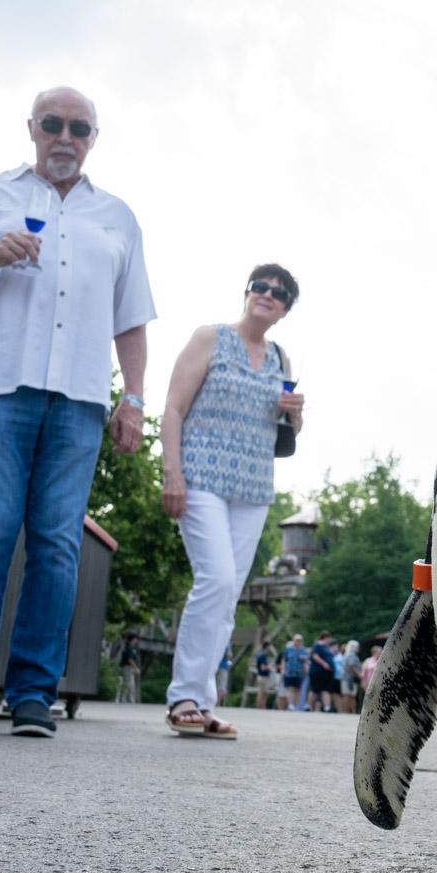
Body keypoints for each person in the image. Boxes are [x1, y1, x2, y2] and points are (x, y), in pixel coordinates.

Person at [0, 86, 155, 738]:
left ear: (93, 138)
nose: (65, 136)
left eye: (80, 127)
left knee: (56, 546)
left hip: (79, 400)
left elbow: (130, 320)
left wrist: (133, 398)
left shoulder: (118, 217)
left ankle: (30, 694)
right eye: (54, 124)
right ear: (32, 128)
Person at [159, 265, 302, 739]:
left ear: (284, 310)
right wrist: (171, 472)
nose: (267, 295)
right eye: (260, 287)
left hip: (253, 488)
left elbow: (285, 435)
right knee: (216, 579)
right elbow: (174, 408)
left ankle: (202, 701)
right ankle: (183, 695)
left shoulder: (281, 357)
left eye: (278, 294)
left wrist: (295, 418)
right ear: (246, 293)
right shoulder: (210, 338)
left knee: (227, 597)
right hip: (200, 479)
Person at [308, 632, 337, 713]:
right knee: (314, 689)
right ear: (325, 637)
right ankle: (309, 706)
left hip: (327, 672)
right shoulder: (318, 645)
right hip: (318, 671)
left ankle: (327, 707)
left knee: (326, 689)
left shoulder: (327, 647)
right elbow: (315, 656)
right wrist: (324, 663)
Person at [282, 633, 308, 711]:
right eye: (297, 640)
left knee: (298, 689)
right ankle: (291, 704)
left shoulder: (303, 650)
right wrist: (283, 669)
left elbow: (306, 659)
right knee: (290, 688)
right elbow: (284, 660)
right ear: (293, 640)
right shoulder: (288, 650)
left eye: (300, 640)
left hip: (299, 672)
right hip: (289, 672)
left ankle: (296, 705)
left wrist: (303, 659)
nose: (298, 642)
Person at [115, 633, 143, 704]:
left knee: (127, 683)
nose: (137, 641)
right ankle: (128, 699)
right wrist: (136, 668)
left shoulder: (132, 648)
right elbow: (130, 659)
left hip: (129, 667)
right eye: (136, 639)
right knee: (129, 683)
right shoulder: (129, 648)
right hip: (127, 667)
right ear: (132, 640)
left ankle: (124, 698)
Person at [247, 641, 275, 711]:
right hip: (263, 676)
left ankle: (262, 707)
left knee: (264, 692)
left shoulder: (260, 655)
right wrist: (269, 667)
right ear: (266, 647)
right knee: (261, 692)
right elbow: (262, 667)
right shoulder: (263, 656)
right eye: (269, 647)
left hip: (261, 676)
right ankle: (259, 707)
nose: (270, 649)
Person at [340, 639, 362, 714]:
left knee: (350, 695)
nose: (358, 648)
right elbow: (352, 666)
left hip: (348, 678)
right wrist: (360, 675)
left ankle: (350, 712)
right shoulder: (351, 654)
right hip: (349, 678)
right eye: (357, 647)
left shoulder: (348, 654)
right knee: (348, 695)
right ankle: (347, 712)